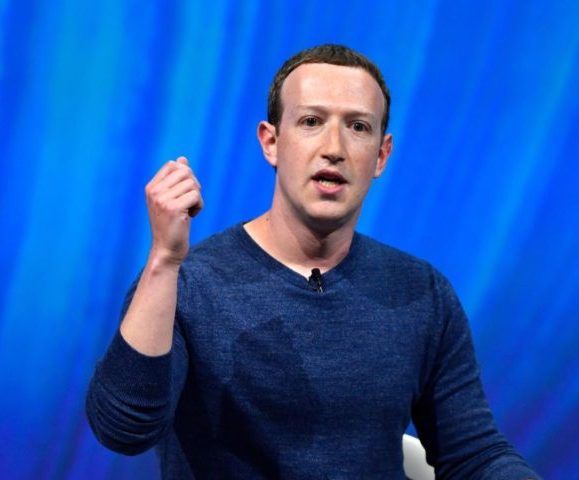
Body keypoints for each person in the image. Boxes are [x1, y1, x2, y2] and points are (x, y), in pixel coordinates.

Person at [86, 44, 540, 479]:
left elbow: (472, 454)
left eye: (358, 127)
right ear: (271, 142)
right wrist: (164, 261)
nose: (334, 147)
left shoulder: (421, 292)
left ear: (381, 155)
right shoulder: (189, 284)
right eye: (311, 121)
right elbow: (123, 430)